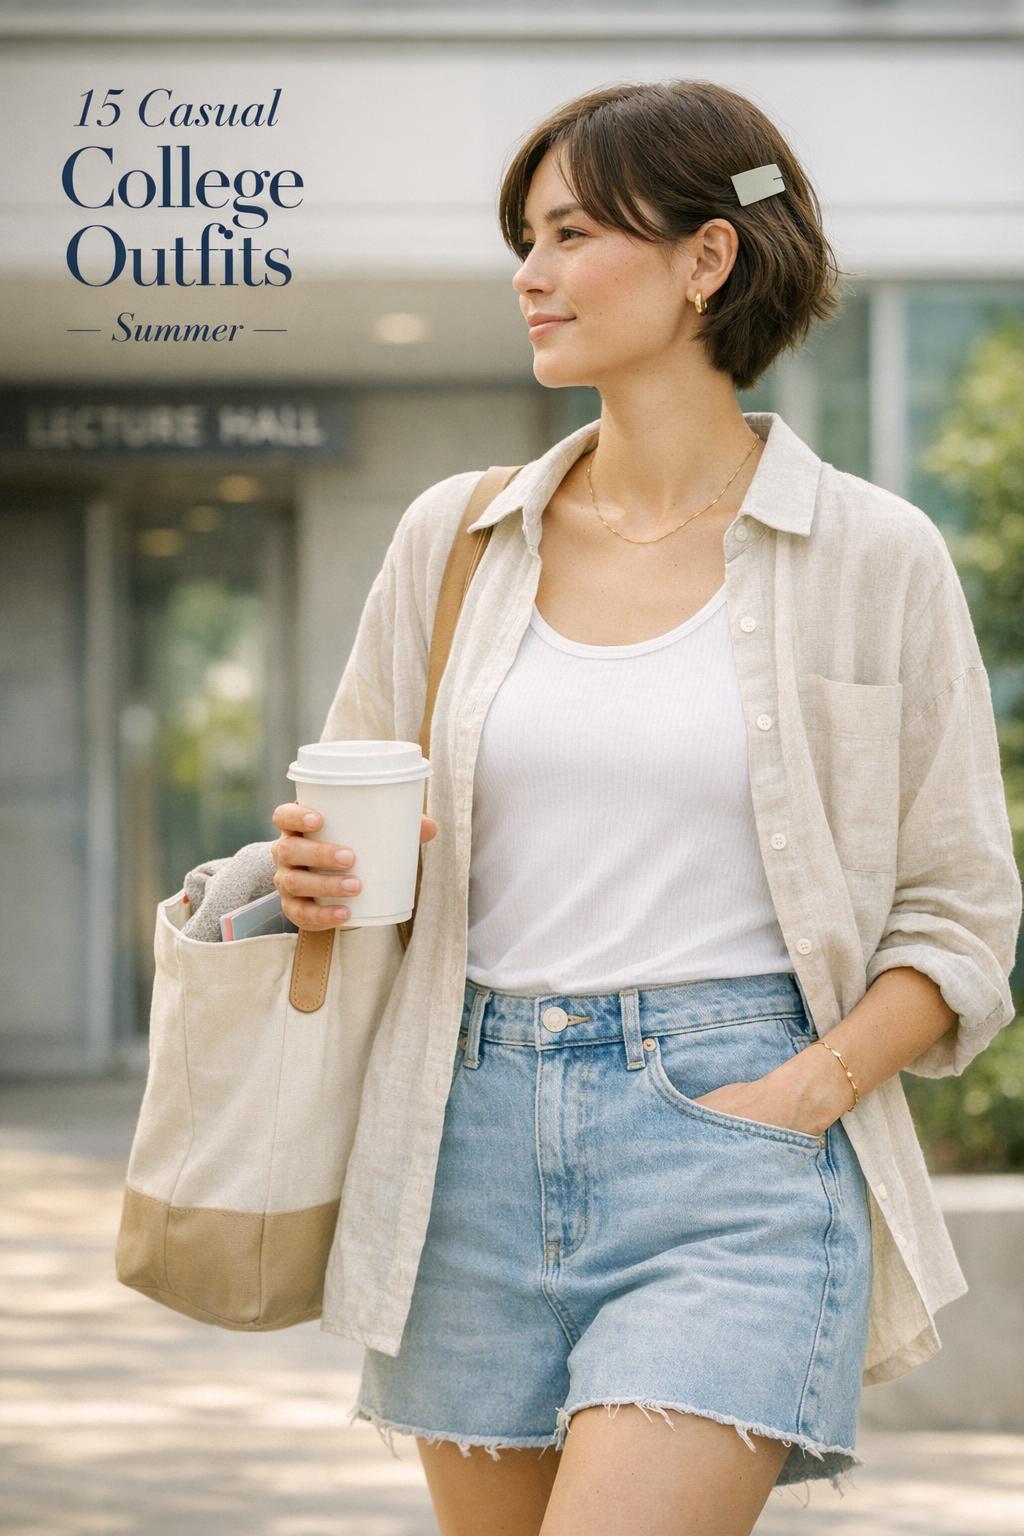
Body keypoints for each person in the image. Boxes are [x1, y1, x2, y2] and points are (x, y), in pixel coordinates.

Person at [268, 80, 1021, 1536]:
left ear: (705, 259)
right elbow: (353, 823)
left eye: (567, 234)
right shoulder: (456, 540)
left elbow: (961, 910)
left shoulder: (876, 556)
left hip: (729, 1146)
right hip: (465, 1141)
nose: (528, 274)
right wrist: (305, 875)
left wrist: (805, 1093)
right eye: (522, 240)